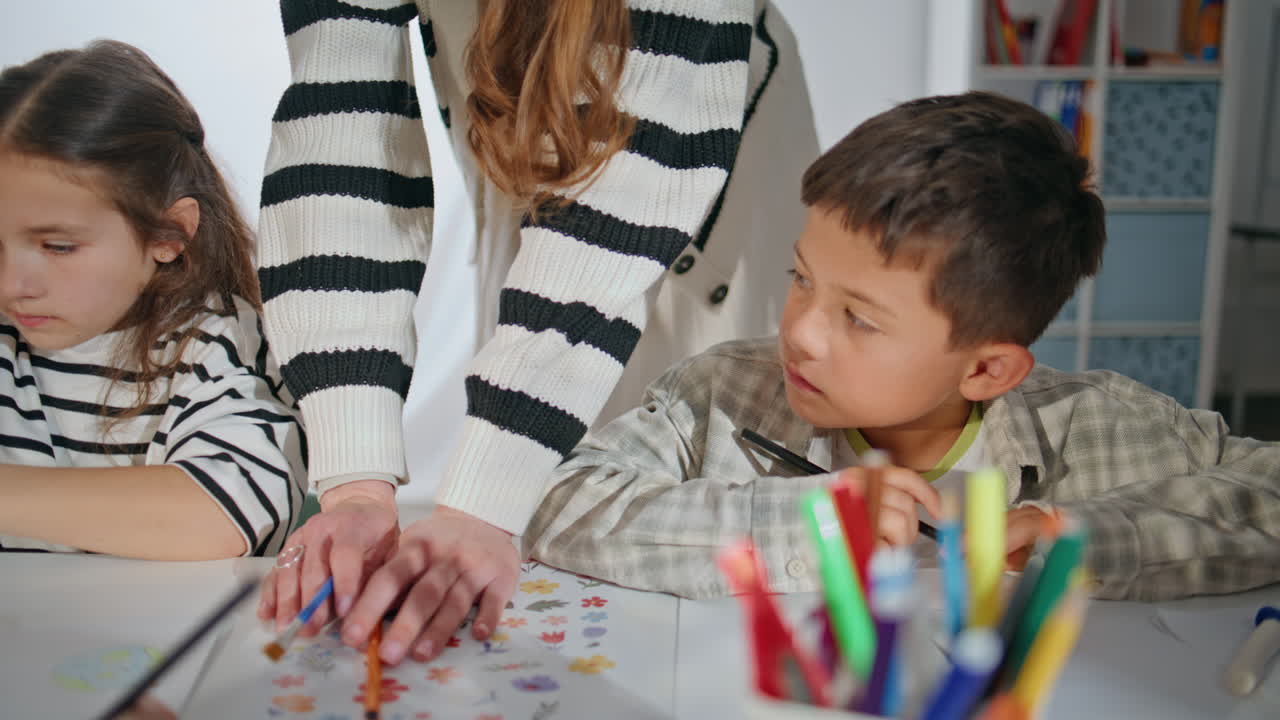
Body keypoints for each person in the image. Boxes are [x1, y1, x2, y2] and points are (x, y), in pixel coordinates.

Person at [525, 91, 1280, 602]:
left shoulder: (1100, 428)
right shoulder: (721, 394)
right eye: (800, 278)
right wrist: (806, 526)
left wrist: (1082, 536)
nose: (801, 331)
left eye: (859, 317)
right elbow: (557, 505)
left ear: (988, 368)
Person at [257, 0, 819, 664]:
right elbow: (341, 138)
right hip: (514, 137)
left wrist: (480, 504)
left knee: (700, 588)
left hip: (684, 145)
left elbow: (621, 207)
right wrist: (355, 481)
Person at [0, 41, 306, 559]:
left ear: (168, 233)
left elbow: (223, 517)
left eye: (58, 246)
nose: (12, 285)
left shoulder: (215, 341)